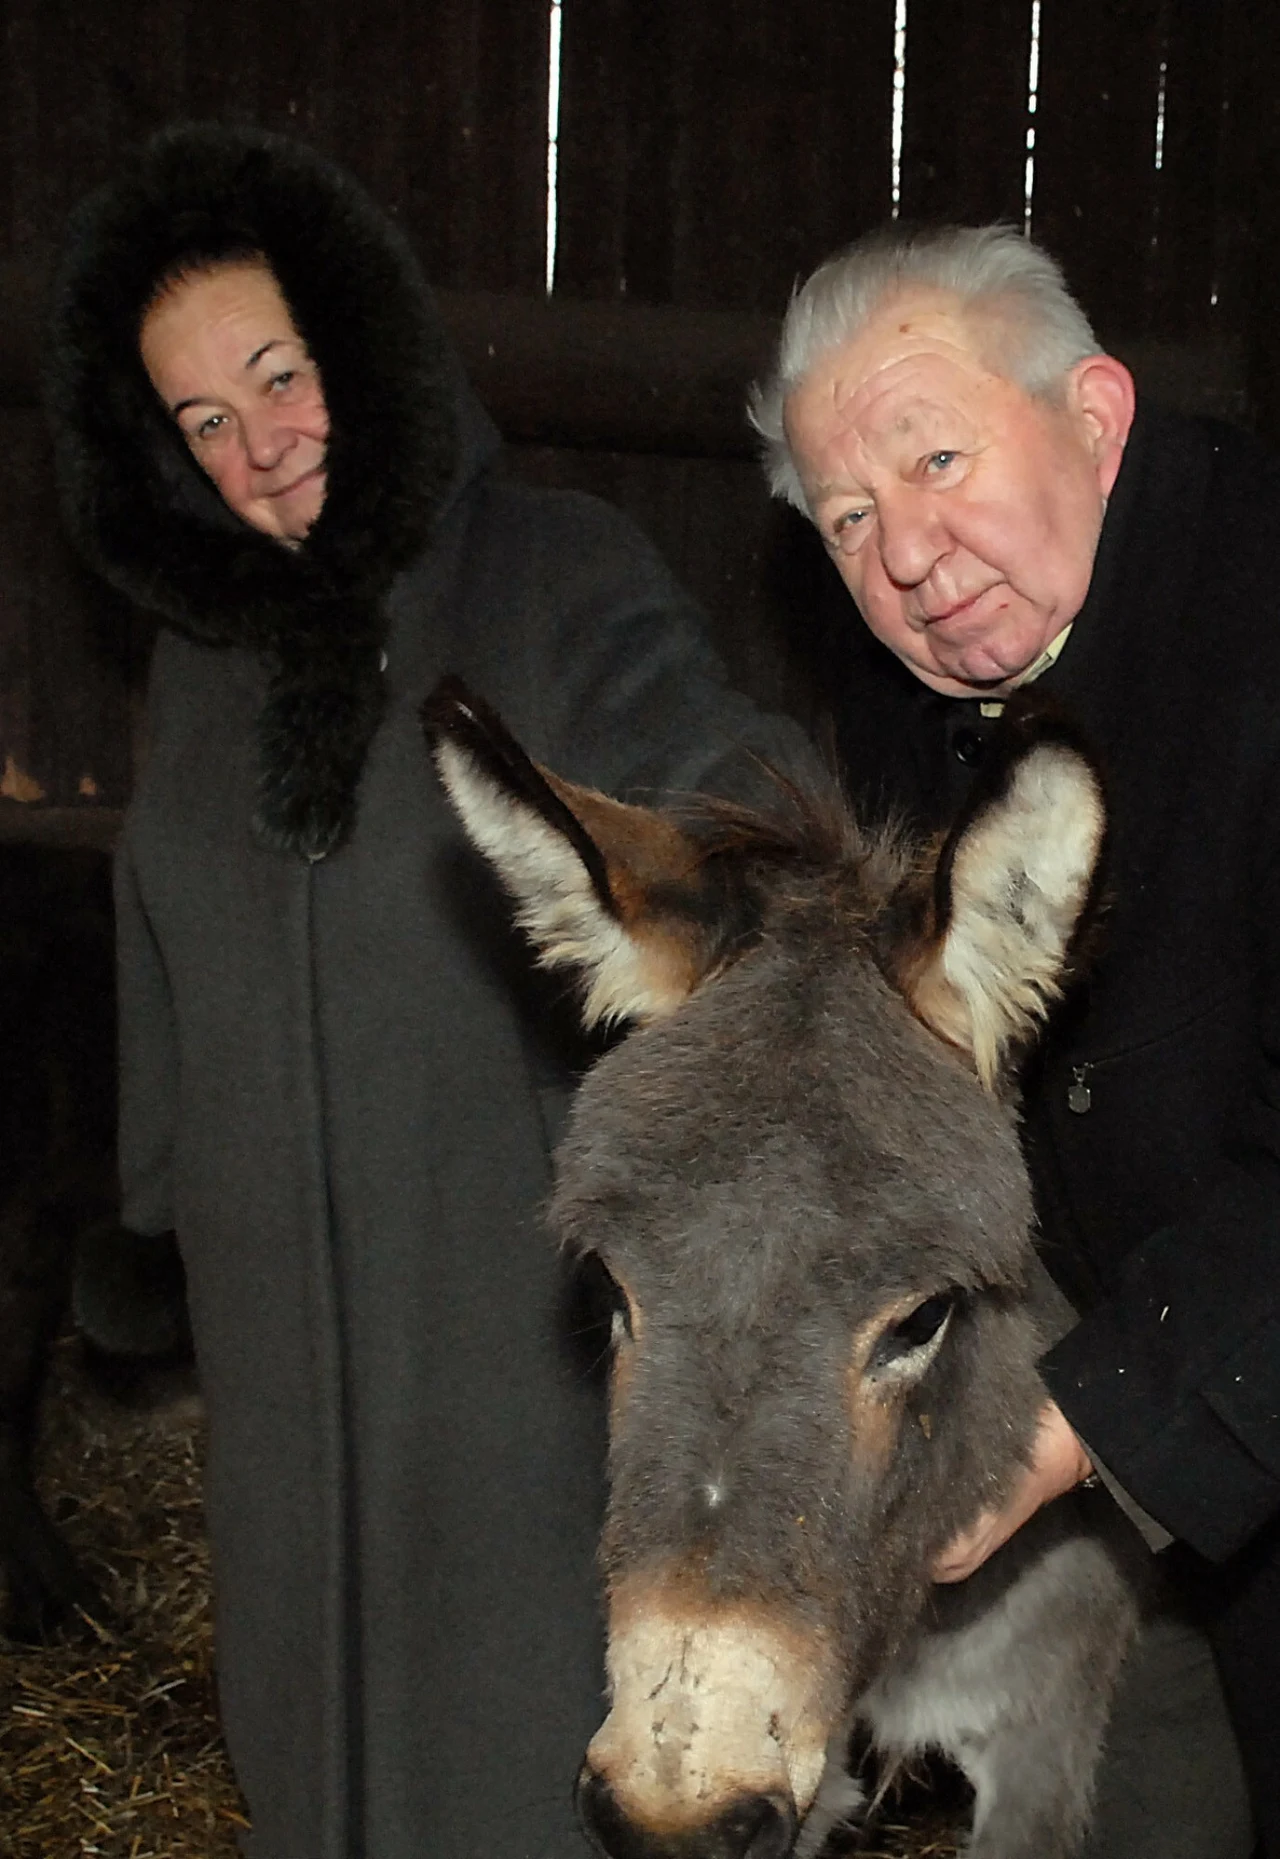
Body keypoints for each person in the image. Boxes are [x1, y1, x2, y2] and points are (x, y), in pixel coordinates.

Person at [44, 123, 808, 1859]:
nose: (261, 448)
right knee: (302, 1758)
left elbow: (714, 786)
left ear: (365, 346)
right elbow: (158, 922)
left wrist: (767, 845)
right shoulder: (200, 667)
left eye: (281, 375)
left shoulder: (551, 572)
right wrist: (153, 1199)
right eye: (202, 422)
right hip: (273, 1372)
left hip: (508, 1341)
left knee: (512, 1763)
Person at [750, 223, 1279, 1857]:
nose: (906, 553)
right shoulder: (918, 713)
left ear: (1097, 416)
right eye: (849, 517)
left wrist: (1065, 1431)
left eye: (937, 458)